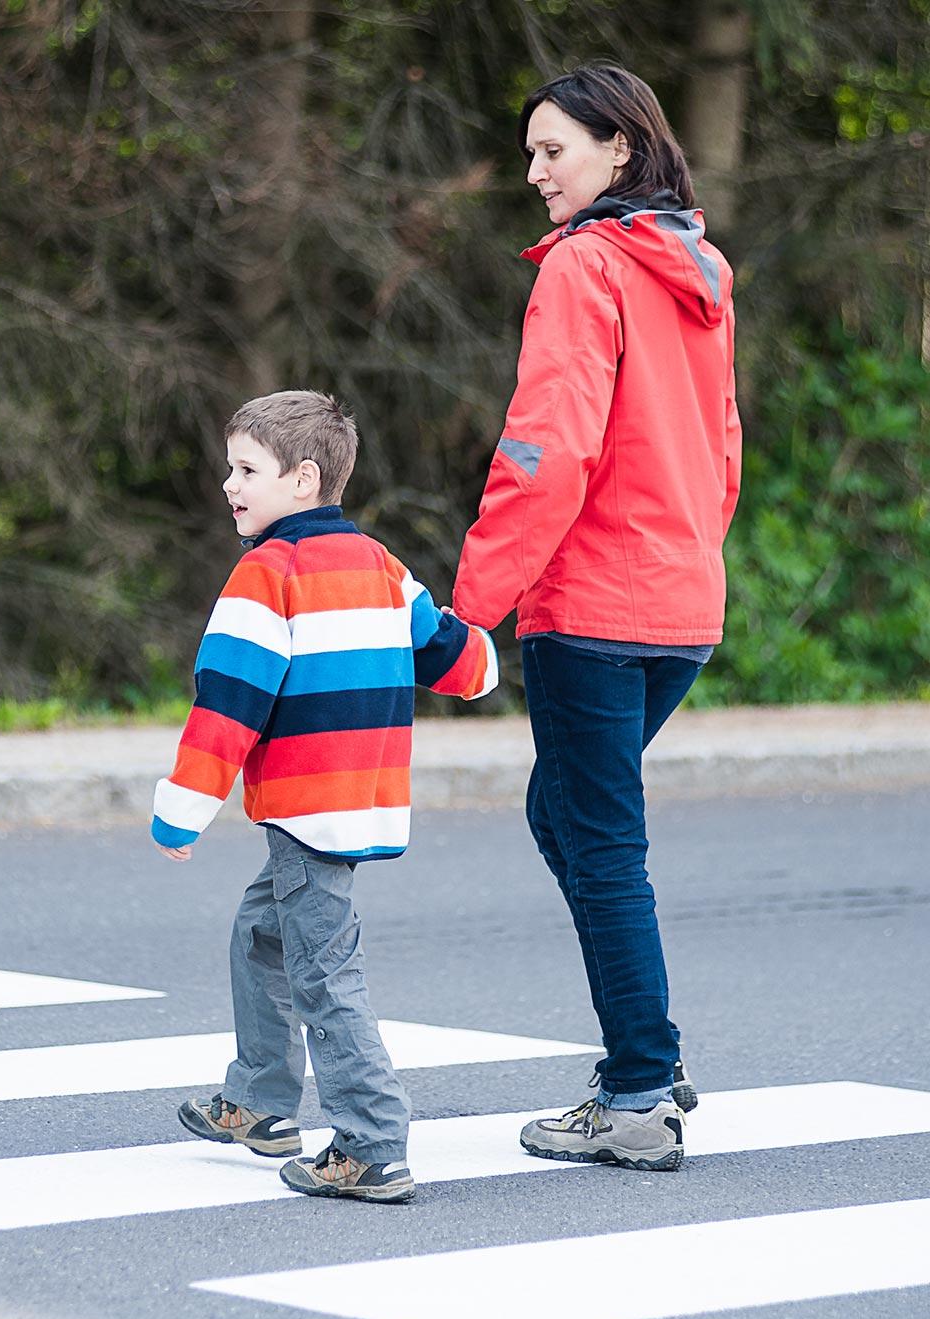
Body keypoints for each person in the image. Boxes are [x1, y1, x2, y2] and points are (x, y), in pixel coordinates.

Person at [452, 65, 741, 1172]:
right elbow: (724, 448)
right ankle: (645, 1062)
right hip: (680, 602)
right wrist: (693, 563)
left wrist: (473, 610)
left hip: (594, 606)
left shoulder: (586, 267)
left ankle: (637, 1090)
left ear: (620, 150)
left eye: (552, 152)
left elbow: (545, 450)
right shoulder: (701, 267)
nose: (534, 174)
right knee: (566, 815)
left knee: (600, 841)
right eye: (530, 155)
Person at [152, 389, 498, 1204]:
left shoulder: (266, 574)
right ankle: (261, 1101)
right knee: (261, 934)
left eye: (246, 469)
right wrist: (486, 657)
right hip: (359, 797)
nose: (228, 484)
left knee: (324, 974)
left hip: (307, 810)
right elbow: (453, 657)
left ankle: (371, 1144)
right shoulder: (380, 566)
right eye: (229, 467)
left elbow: (227, 702)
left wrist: (183, 807)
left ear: (303, 478)